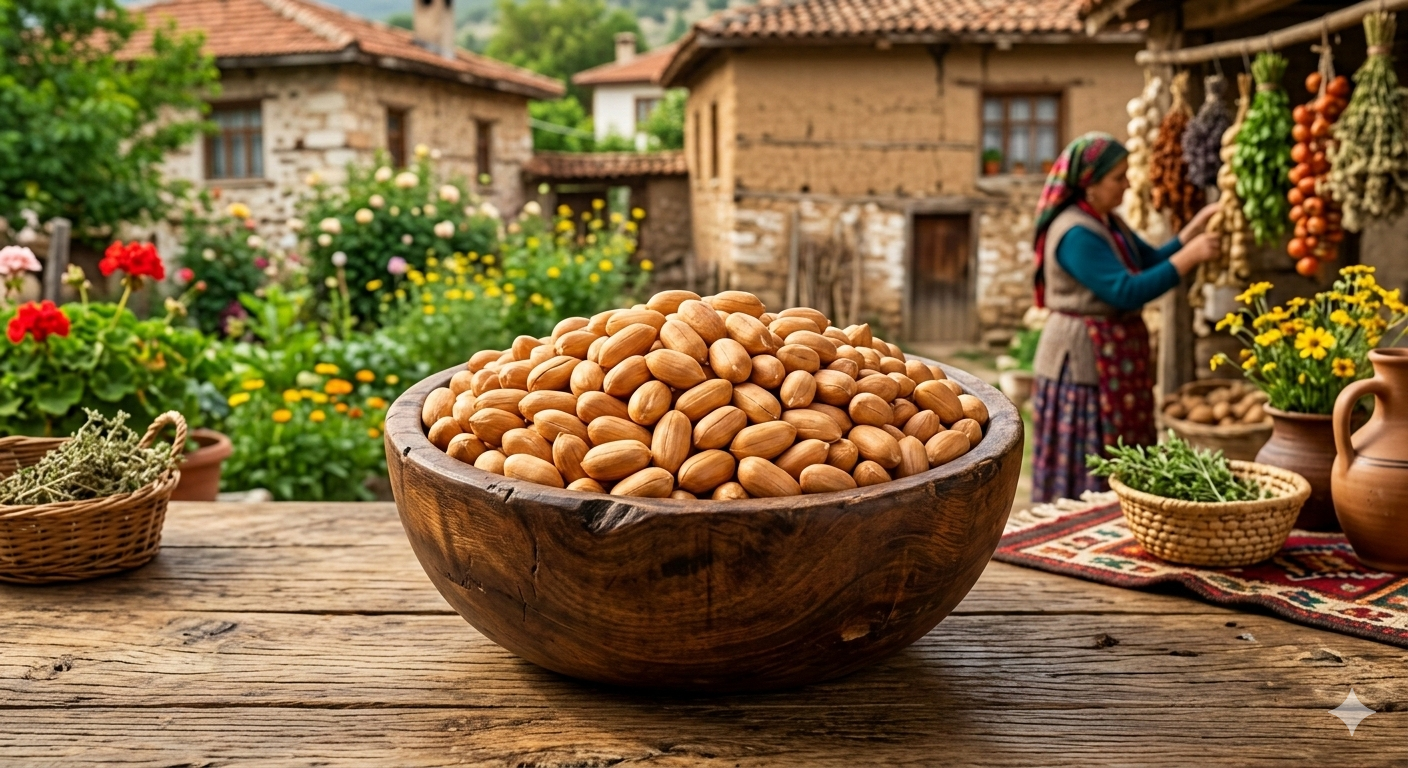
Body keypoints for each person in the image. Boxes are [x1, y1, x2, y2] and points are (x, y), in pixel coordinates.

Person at [1029, 132, 1220, 503]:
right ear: (1090, 185)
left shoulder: (1106, 222)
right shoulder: (1075, 233)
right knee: (1093, 453)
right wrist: (1191, 257)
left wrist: (1189, 234)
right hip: (1083, 361)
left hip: (1110, 355)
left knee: (1120, 449)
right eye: (1118, 177)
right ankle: (1078, 521)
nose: (1128, 183)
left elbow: (1145, 260)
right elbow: (1125, 290)